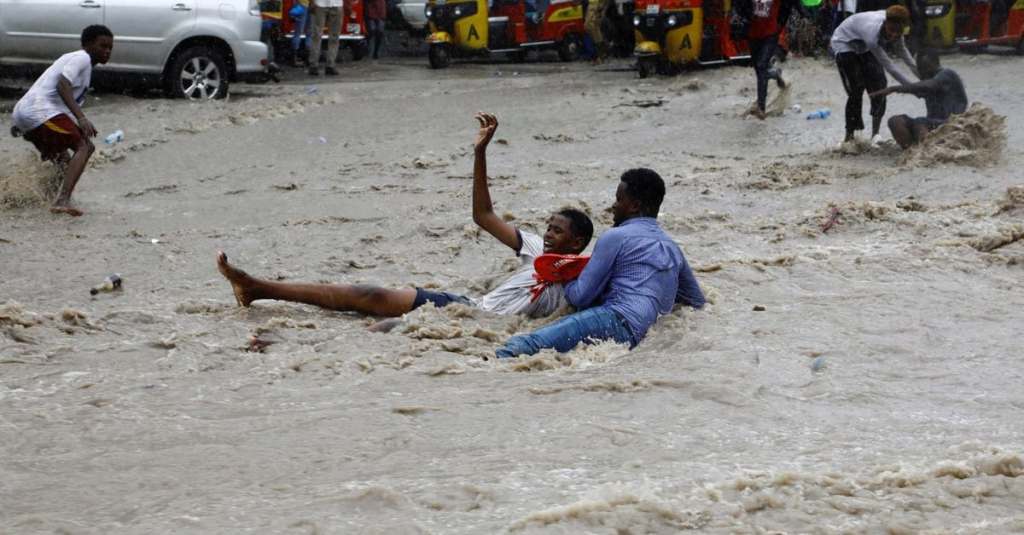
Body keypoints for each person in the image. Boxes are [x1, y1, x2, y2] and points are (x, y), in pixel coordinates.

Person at [216, 112, 594, 322]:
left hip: (485, 328)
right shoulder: (533, 249)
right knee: (371, 294)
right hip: (467, 308)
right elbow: (483, 215)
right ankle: (258, 288)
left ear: (576, 242)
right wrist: (480, 153)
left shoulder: (586, 276)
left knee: (380, 324)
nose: (546, 234)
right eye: (547, 227)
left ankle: (258, 290)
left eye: (556, 231)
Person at [495, 168, 705, 359]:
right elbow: (696, 302)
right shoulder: (673, 248)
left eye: (618, 199)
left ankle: (482, 380)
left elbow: (581, 296)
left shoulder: (615, 236)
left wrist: (564, 273)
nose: (613, 206)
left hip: (614, 319)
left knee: (525, 345)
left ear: (634, 206)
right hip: (642, 336)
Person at [9, 25, 113, 217]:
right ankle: (62, 200)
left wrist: (21, 125)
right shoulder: (82, 58)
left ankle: (42, 198)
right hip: (39, 113)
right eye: (102, 46)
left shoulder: (77, 63)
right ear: (88, 45)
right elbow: (61, 85)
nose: (107, 51)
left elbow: (53, 96)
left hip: (28, 115)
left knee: (64, 161)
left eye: (110, 48)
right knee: (85, 146)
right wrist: (81, 118)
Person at [830, 5, 917, 145]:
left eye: (898, 32)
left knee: (879, 85)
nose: (894, 35)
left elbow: (906, 57)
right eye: (891, 30)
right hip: (844, 42)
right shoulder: (872, 33)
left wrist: (925, 79)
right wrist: (912, 87)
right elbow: (891, 67)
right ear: (885, 23)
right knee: (856, 89)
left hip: (863, 45)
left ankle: (875, 134)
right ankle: (850, 136)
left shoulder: (898, 32)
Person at [870, 50, 967, 149]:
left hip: (950, 124)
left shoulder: (947, 74)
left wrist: (895, 88)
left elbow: (929, 85)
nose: (920, 72)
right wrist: (892, 91)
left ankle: (927, 152)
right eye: (919, 68)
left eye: (923, 68)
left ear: (934, 65)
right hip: (931, 124)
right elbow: (917, 89)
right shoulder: (927, 81)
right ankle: (911, 152)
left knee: (920, 122)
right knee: (895, 121)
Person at [734, 0, 806, 119]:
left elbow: (793, 3)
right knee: (758, 69)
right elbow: (739, 6)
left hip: (770, 35)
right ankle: (776, 74)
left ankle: (761, 109)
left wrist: (804, 14)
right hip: (753, 34)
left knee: (761, 65)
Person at [308, 0, 343, 76]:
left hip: (334, 4)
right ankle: (316, 65)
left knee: (330, 36)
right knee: (319, 36)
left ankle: (328, 64)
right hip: (321, 4)